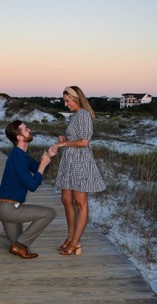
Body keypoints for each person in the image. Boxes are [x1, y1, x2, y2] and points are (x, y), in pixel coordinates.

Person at [0, 120, 57, 259]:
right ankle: (21, 246)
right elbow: (32, 185)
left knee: (12, 243)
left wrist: (48, 157)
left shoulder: (21, 155)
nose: (30, 130)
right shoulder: (18, 158)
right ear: (19, 137)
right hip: (10, 209)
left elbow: (38, 167)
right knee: (49, 213)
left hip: (3, 207)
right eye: (26, 129)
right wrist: (43, 165)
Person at [54, 86, 106, 256]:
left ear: (76, 99)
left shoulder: (83, 114)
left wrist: (64, 144)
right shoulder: (76, 116)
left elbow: (84, 142)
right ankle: (70, 238)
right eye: (64, 100)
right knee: (66, 199)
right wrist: (65, 138)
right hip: (70, 161)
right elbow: (77, 138)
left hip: (80, 162)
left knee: (80, 203)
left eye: (67, 100)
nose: (65, 104)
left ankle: (76, 243)